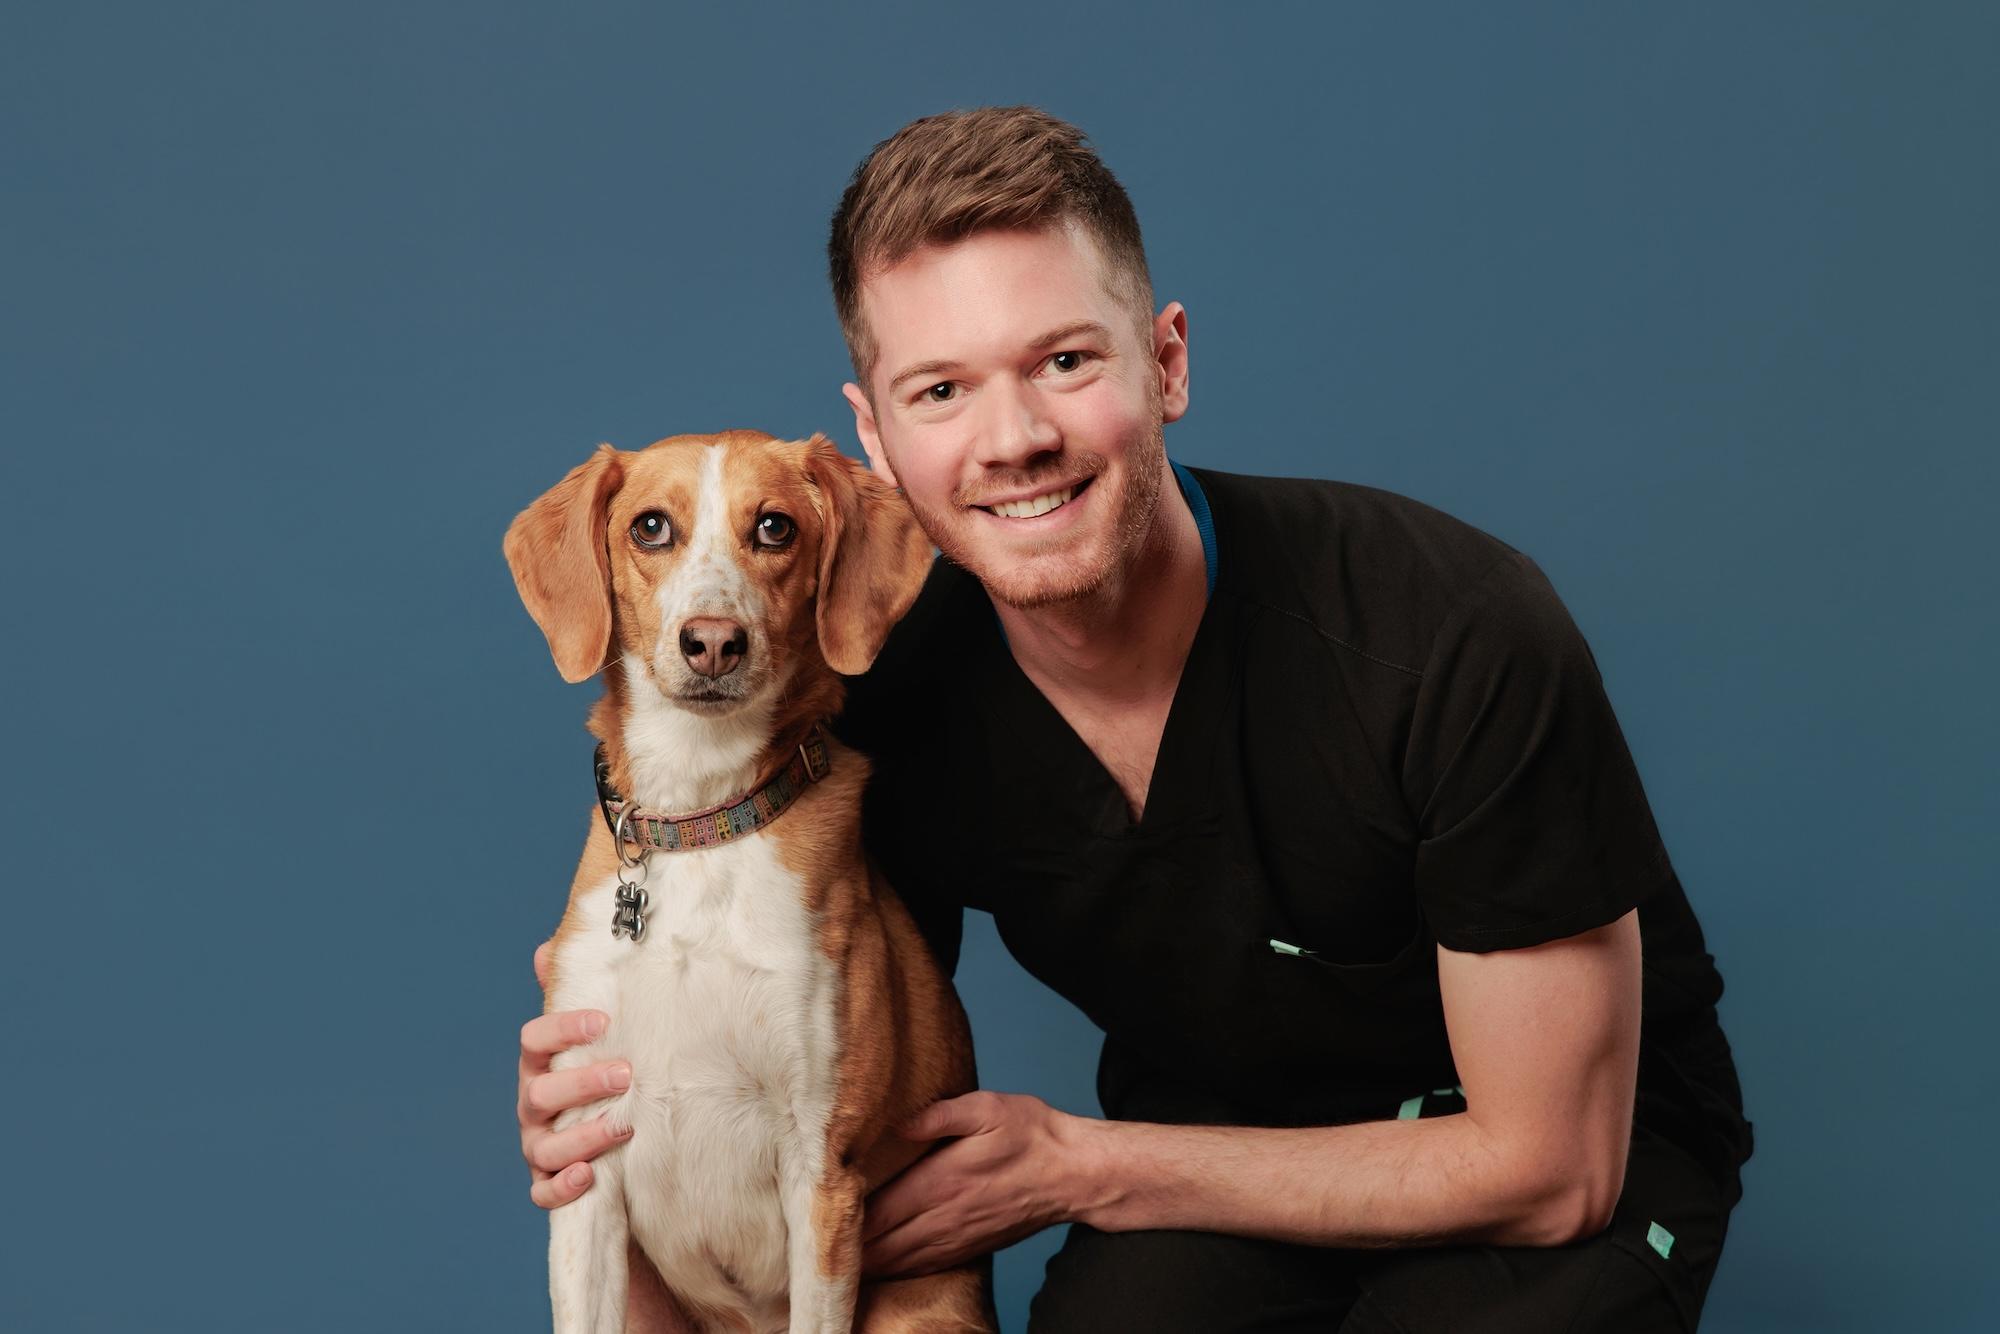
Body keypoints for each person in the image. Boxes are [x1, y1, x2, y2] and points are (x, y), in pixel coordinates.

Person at [516, 106, 1755, 1331]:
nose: (1013, 440)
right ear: (875, 436)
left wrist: (1084, 1166)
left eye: (1063, 361)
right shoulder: (875, 687)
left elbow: (1552, 1166)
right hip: (1221, 1135)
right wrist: (613, 1127)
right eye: (940, 389)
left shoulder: (1451, 633)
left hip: (1551, 1165)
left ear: (1164, 362)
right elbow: (807, 1082)